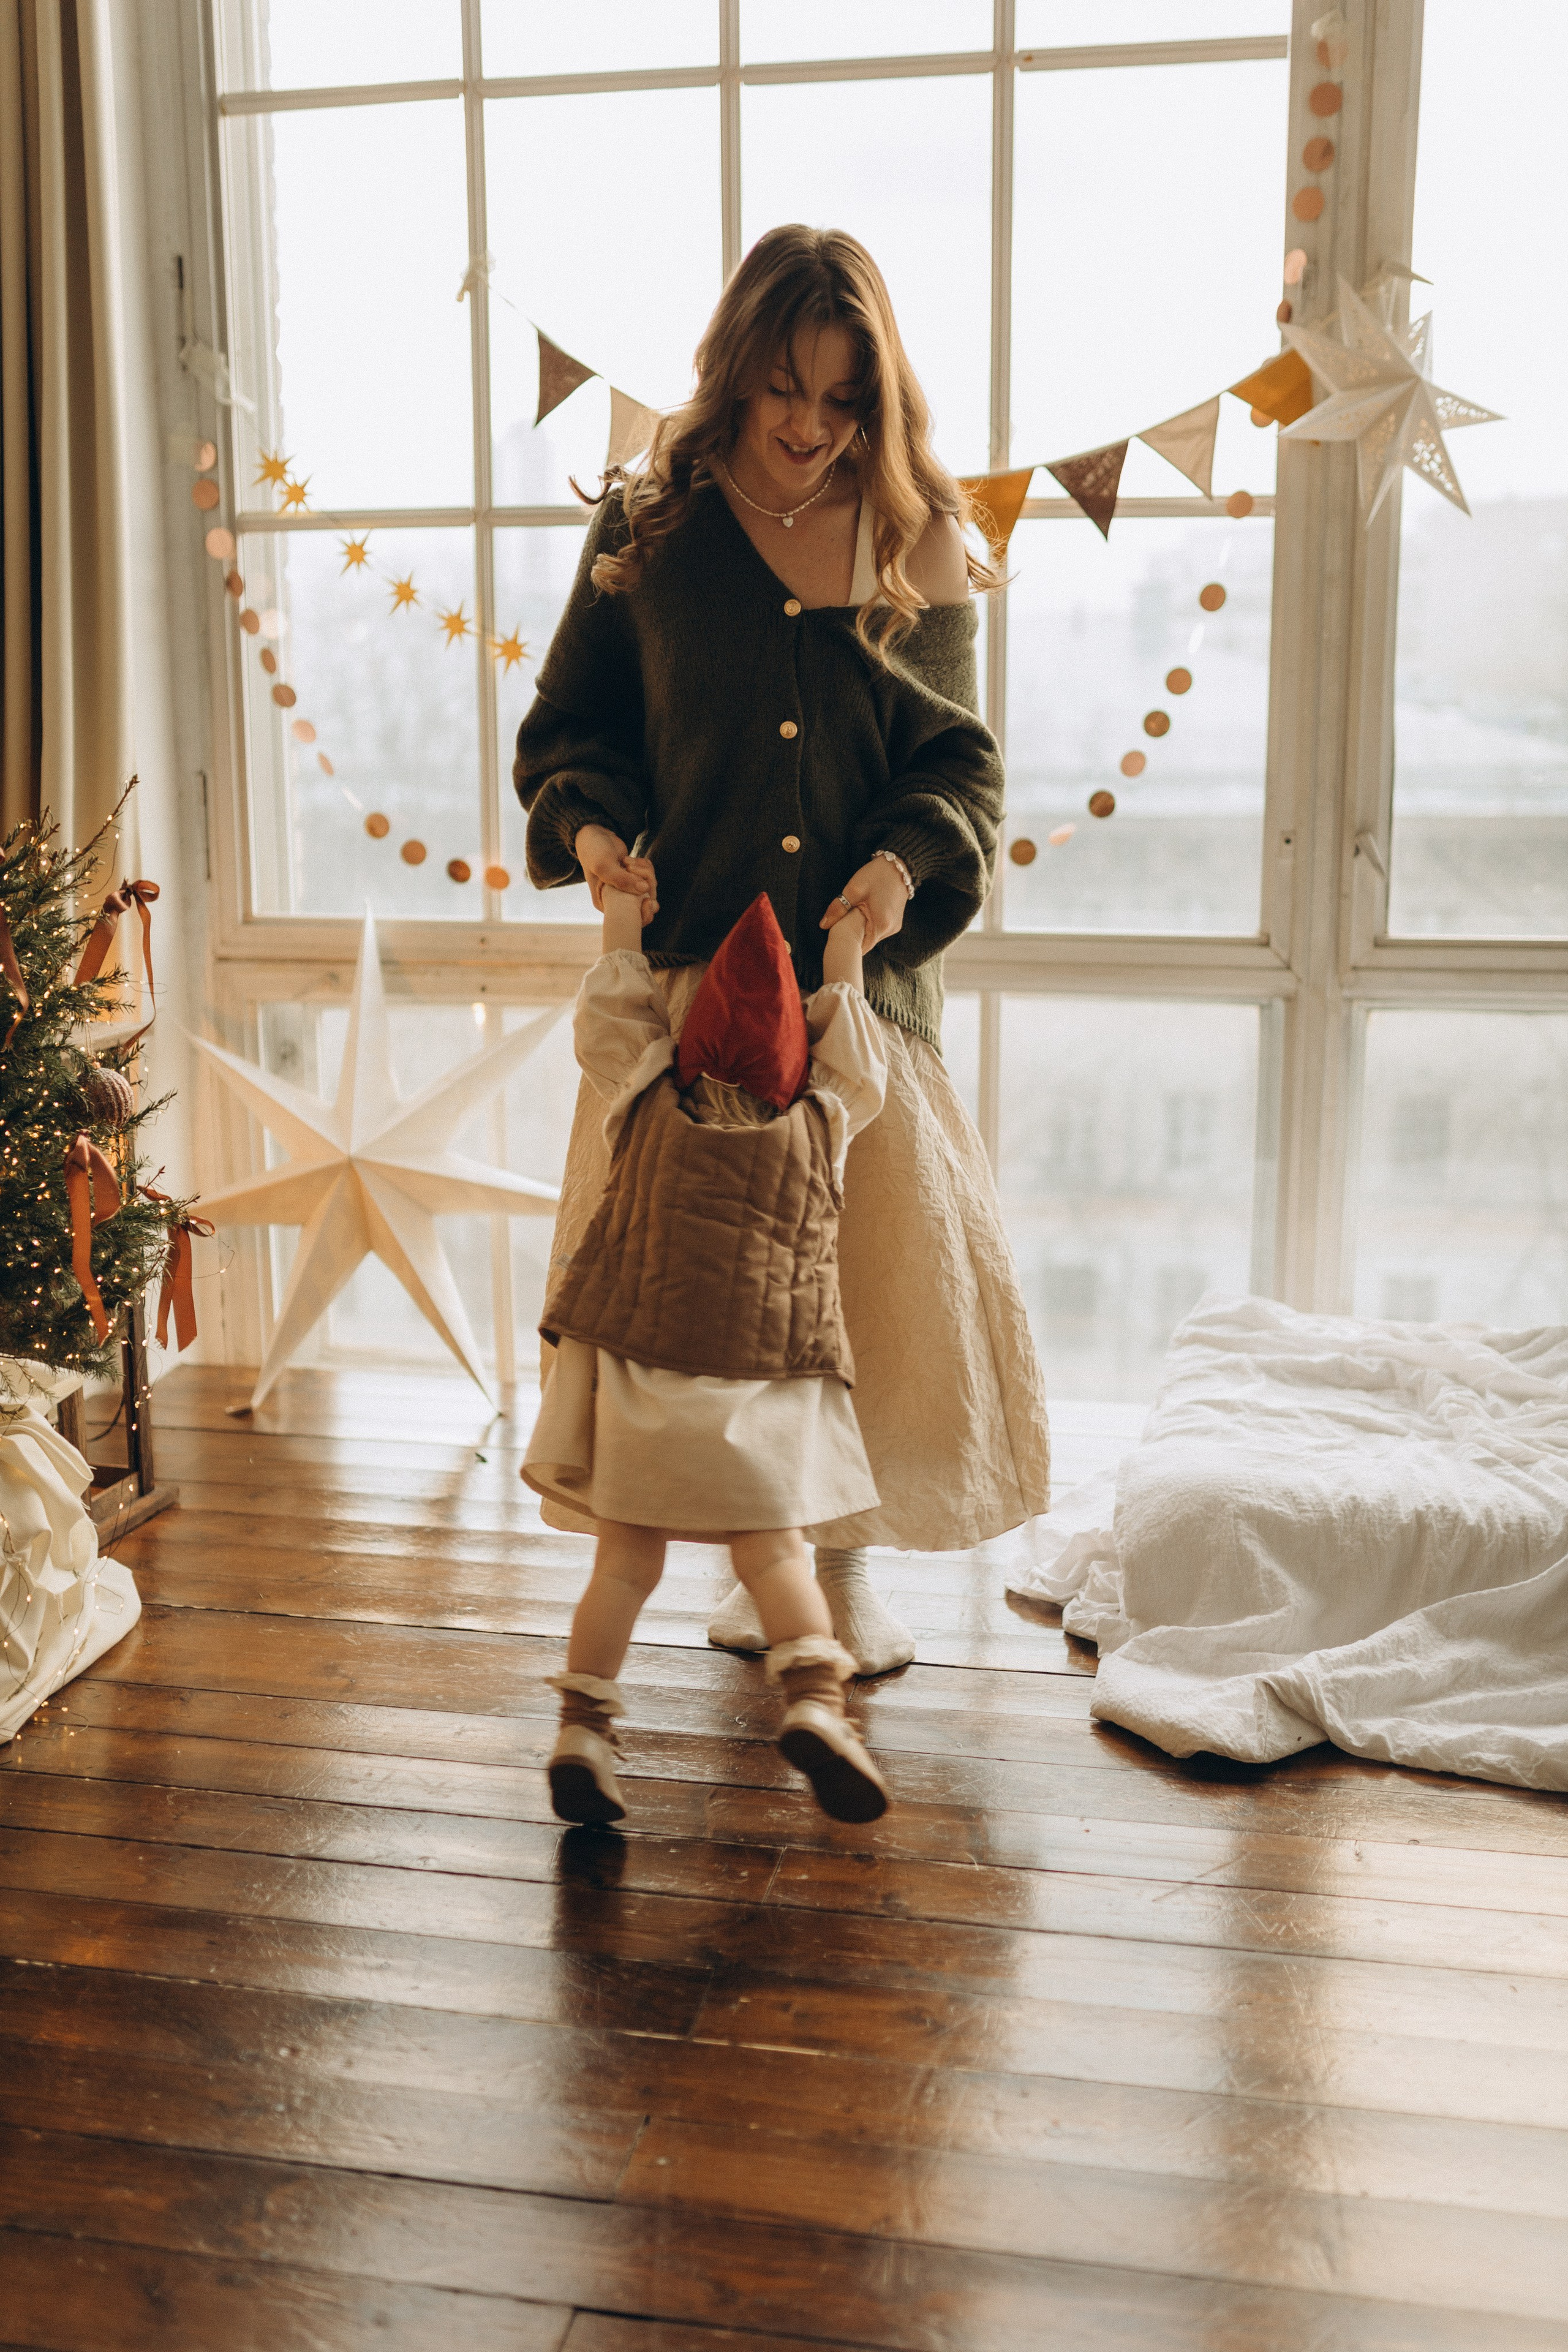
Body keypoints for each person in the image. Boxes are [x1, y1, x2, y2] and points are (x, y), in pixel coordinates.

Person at [516, 224, 1050, 1676]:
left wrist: (895, 866)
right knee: (698, 1308)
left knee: (860, 1302)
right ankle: (738, 1567)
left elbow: (959, 766)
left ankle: (839, 1578)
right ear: (733, 378)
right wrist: (593, 838)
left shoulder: (922, 536)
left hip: (855, 1006)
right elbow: (573, 734)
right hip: (689, 990)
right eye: (781, 394)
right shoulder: (648, 531)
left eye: (841, 399)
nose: (811, 429)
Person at [527, 878, 891, 1828]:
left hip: (643, 1364)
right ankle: (816, 1704)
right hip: (758, 1379)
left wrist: (621, 922)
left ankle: (582, 1729)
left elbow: (608, 1015)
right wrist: (844, 950)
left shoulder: (644, 1101)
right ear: (795, 1064)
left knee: (623, 1566)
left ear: (684, 1055)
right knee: (776, 1559)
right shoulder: (824, 1121)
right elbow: (860, 1060)